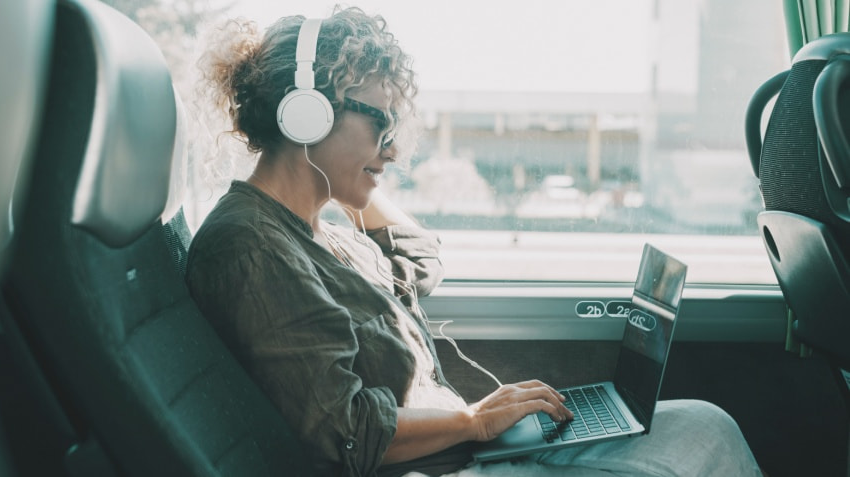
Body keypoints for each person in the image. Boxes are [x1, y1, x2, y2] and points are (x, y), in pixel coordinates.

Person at [187, 6, 763, 477]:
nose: (392, 151)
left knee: (703, 424)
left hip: (464, 451)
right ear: (307, 115)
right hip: (436, 464)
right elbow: (347, 433)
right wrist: (474, 422)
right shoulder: (251, 248)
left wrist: (346, 175)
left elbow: (418, 257)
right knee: (704, 442)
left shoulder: (322, 233)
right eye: (380, 125)